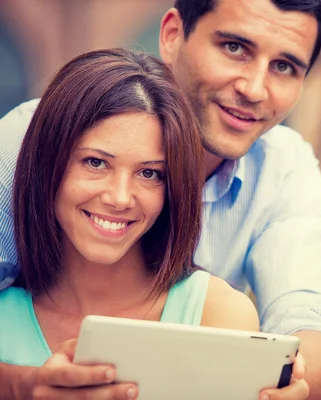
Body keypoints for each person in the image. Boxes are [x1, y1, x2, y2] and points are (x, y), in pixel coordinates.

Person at [0, 1, 321, 399]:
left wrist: (293, 384)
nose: (254, 89)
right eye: (234, 47)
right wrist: (23, 385)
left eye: (284, 66)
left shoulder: (284, 168)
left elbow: (306, 311)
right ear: (171, 35)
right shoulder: (21, 142)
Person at [0, 48, 264, 399]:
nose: (121, 197)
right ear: (47, 161)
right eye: (95, 163)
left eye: (149, 173)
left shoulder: (219, 316)